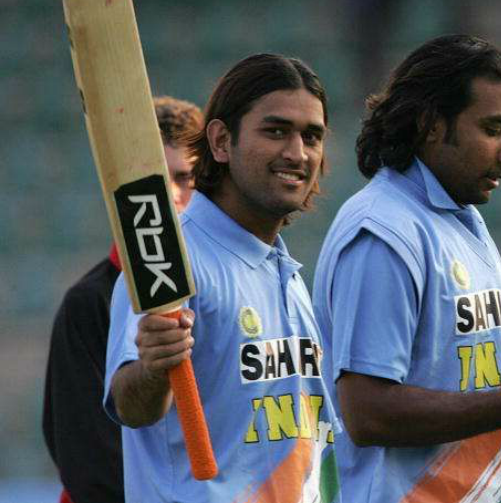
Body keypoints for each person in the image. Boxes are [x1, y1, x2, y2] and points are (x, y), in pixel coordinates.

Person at [313, 34, 501, 502]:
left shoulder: (463, 220)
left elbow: (471, 406)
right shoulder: (383, 231)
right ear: (430, 124)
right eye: (493, 128)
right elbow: (369, 413)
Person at [103, 53, 341, 503]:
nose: (297, 153)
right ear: (220, 142)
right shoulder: (175, 261)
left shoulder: (284, 271)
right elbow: (131, 406)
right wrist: (153, 368)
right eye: (276, 131)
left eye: (312, 136)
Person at [43, 96, 204, 503]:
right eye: (153, 177)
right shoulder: (89, 303)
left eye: (185, 177)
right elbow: (90, 467)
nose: (169, 194)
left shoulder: (234, 287)